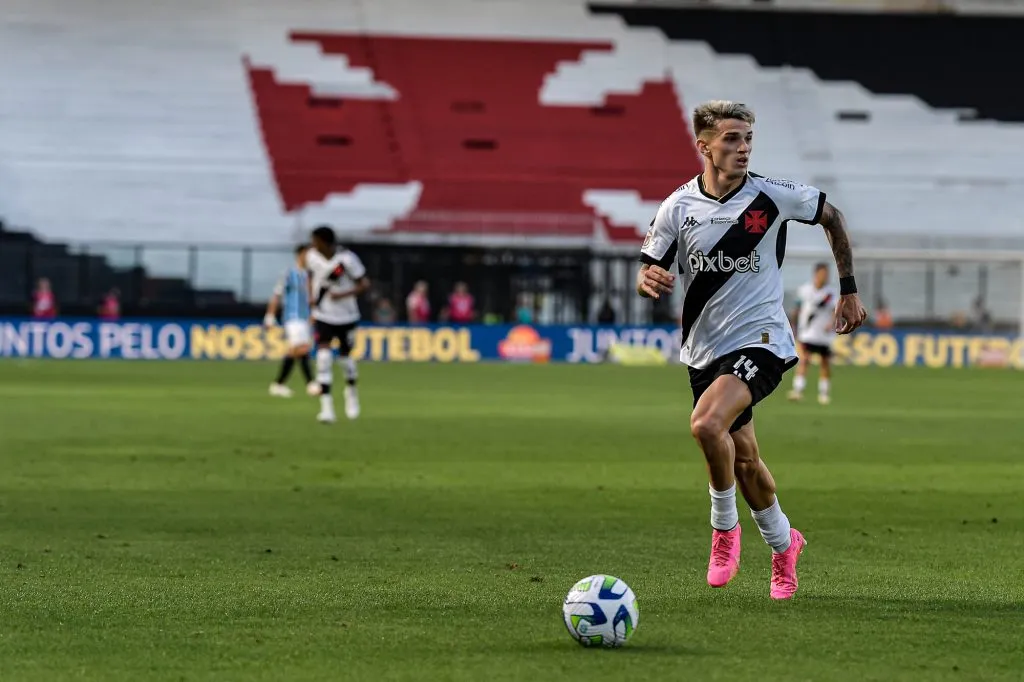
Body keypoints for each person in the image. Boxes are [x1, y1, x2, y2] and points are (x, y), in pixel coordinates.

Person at [636, 100, 867, 600]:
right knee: (744, 461)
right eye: (731, 139)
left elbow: (833, 216)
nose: (742, 148)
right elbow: (648, 265)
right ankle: (785, 545)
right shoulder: (678, 206)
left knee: (705, 425)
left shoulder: (771, 197)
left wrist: (848, 288)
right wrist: (647, 278)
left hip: (762, 339)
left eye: (747, 139)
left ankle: (723, 531)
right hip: (704, 348)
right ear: (705, 146)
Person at [306, 225, 370, 423]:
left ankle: (351, 393)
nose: (312, 245)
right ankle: (327, 408)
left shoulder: (347, 259)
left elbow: (364, 284)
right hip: (324, 315)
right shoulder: (311, 257)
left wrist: (342, 294)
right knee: (323, 358)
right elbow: (310, 276)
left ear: (324, 242)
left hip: (347, 316)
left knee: (345, 359)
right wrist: (311, 298)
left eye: (315, 241)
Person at [264, 244, 319, 398]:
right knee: (301, 348)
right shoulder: (289, 274)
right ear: (301, 255)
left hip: (305, 318)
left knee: (297, 350)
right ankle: (310, 383)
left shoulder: (310, 276)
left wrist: (315, 313)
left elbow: (312, 299)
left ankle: (279, 384)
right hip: (292, 317)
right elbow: (276, 295)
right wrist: (269, 316)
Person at [788, 263, 839, 405]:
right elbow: (796, 309)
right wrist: (793, 326)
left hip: (824, 335)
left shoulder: (831, 293)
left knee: (825, 363)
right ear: (816, 274)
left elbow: (836, 311)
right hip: (808, 333)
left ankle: (824, 394)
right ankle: (797, 390)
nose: (825, 276)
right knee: (804, 360)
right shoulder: (805, 290)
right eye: (823, 273)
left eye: (827, 274)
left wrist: (832, 323)